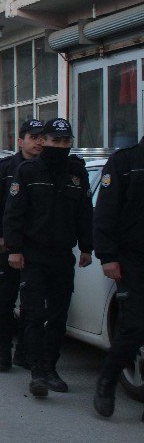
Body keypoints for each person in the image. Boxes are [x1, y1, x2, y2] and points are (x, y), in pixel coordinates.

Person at [2, 118, 92, 398]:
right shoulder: (28, 171)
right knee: (33, 314)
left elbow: (85, 213)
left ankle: (51, 368)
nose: (60, 146)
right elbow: (13, 213)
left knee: (58, 316)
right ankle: (37, 373)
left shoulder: (77, 172)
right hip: (33, 255)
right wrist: (14, 249)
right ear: (45, 142)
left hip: (63, 255)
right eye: (55, 141)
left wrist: (88, 247)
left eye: (66, 142)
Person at [0, 119, 44, 372]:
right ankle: (3, 353)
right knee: (6, 301)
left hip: (35, 247)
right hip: (8, 246)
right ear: (20, 141)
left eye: (42, 137)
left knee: (32, 304)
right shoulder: (4, 168)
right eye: (33, 136)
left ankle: (24, 352)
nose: (38, 141)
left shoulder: (46, 168)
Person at [92, 131, 144, 419]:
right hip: (133, 257)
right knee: (134, 326)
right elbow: (106, 212)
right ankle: (107, 380)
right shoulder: (125, 162)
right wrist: (108, 256)